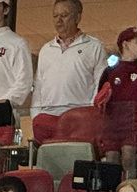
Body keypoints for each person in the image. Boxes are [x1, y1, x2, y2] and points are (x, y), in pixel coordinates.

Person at [31, 0, 107, 142]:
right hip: (48, 117)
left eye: (64, 15)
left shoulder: (93, 47)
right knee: (47, 156)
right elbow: (39, 85)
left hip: (79, 118)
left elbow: (100, 83)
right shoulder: (46, 50)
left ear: (77, 17)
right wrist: (36, 114)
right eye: (55, 16)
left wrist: (91, 112)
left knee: (76, 155)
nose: (58, 20)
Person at [98, 28, 137, 180]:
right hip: (111, 124)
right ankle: (113, 191)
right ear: (125, 44)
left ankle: (130, 188)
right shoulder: (109, 72)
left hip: (133, 123)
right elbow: (99, 100)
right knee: (111, 160)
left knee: (129, 157)